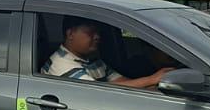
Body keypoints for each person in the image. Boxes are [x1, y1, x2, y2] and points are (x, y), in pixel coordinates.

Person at [42, 18, 171, 89]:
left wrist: (151, 86)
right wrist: (152, 79)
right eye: (91, 33)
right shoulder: (61, 65)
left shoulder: (90, 59)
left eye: (98, 33)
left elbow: (120, 81)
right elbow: (103, 91)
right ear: (70, 34)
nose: (97, 37)